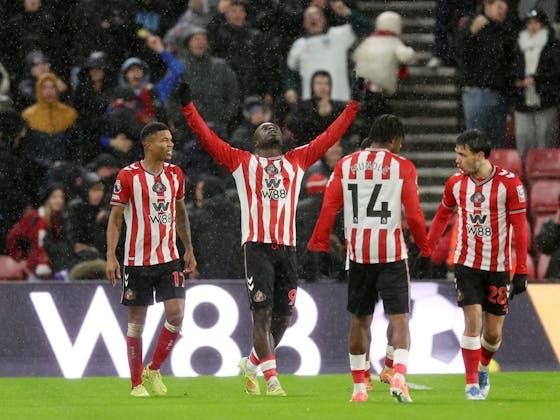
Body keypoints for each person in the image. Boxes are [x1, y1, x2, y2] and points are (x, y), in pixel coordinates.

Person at [174, 76, 365, 396]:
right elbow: (207, 137)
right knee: (261, 315)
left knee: (284, 318)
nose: (270, 127)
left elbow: (331, 134)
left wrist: (353, 105)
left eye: (274, 126)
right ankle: (273, 380)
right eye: (264, 127)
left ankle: (251, 363)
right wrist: (187, 107)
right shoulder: (241, 162)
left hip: (287, 249)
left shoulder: (297, 160)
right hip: (257, 248)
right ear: (255, 141)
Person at [307, 114, 429, 403]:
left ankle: (359, 389)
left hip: (359, 255)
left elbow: (329, 207)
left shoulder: (345, 164)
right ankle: (398, 375)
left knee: (359, 321)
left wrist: (319, 242)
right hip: (391, 254)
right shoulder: (403, 166)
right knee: (399, 318)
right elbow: (413, 214)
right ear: (394, 139)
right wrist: (425, 246)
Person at [416, 129, 528, 400]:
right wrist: (426, 249)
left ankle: (483, 367)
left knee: (493, 333)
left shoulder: (509, 184)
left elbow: (520, 229)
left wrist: (521, 270)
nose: (457, 160)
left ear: (479, 156)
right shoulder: (455, 183)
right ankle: (471, 385)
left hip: (498, 267)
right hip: (466, 264)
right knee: (473, 321)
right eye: (456, 153)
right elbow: (442, 216)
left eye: (462, 154)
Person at [105, 121, 197, 397]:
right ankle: (136, 383)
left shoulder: (176, 174)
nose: (170, 144)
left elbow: (180, 214)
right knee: (136, 323)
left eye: (171, 140)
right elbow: (115, 219)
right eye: (164, 140)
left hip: (169, 258)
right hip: (137, 261)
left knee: (177, 314)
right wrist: (111, 255)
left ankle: (154, 368)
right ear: (148, 144)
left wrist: (189, 248)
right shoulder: (128, 176)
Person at [456, 0, 515, 148]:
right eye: (499, 7)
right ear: (487, 5)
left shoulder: (505, 30)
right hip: (477, 93)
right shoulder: (473, 23)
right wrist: (471, 33)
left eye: (505, 9)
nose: (502, 11)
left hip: (499, 95)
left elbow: (509, 64)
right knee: (477, 144)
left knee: (497, 145)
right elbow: (457, 54)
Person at [512, 8, 560, 158]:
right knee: (524, 139)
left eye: (536, 22)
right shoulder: (518, 44)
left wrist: (537, 78)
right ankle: (526, 169)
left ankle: (544, 170)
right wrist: (518, 81)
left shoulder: (553, 45)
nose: (533, 26)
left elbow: (555, 72)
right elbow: (511, 68)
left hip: (545, 99)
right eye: (530, 23)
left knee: (545, 139)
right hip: (522, 100)